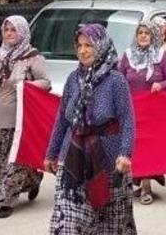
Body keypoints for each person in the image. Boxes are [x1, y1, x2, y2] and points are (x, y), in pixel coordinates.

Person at [43, 24, 136, 235]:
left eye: (89, 45)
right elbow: (62, 120)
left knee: (110, 226)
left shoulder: (116, 81)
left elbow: (128, 119)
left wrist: (125, 154)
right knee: (66, 223)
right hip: (73, 158)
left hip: (108, 162)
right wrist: (51, 153)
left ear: (101, 46)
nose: (83, 51)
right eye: (79, 45)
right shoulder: (73, 79)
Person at [0, 15, 51, 218]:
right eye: (6, 30)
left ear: (22, 32)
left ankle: (6, 200)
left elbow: (46, 82)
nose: (9, 34)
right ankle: (34, 178)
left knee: (15, 160)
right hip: (1, 119)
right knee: (5, 158)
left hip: (23, 119)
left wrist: (25, 85)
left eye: (13, 30)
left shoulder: (32, 56)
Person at [118, 20, 166, 205]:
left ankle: (146, 187)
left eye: (147, 33)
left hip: (152, 112)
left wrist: (161, 84)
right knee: (133, 147)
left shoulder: (160, 55)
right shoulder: (127, 55)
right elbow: (118, 79)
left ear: (153, 36)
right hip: (131, 110)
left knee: (147, 148)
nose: (143, 36)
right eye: (140, 32)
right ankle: (140, 182)